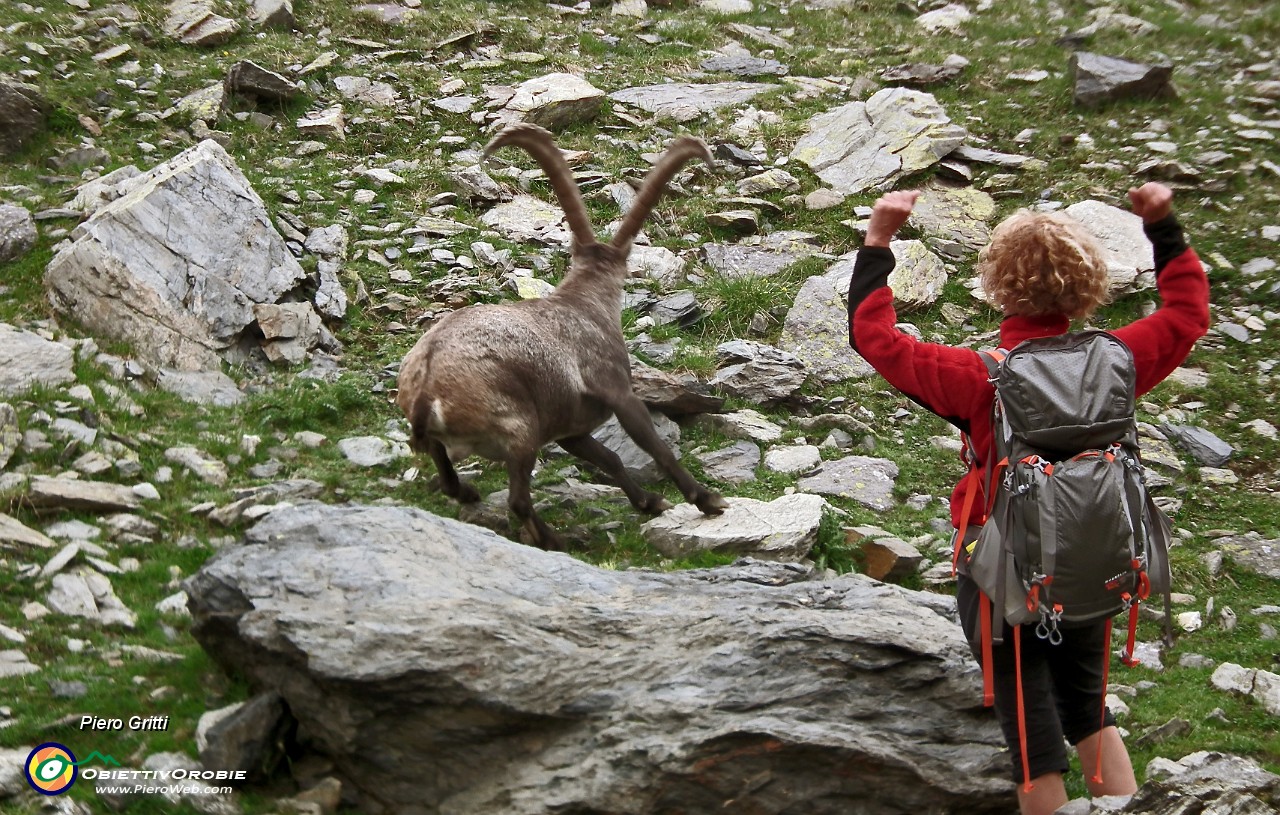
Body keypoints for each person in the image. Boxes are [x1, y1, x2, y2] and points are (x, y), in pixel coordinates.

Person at [846, 182, 1210, 815]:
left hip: (1003, 575)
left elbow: (873, 338)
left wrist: (878, 242)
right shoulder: (1120, 359)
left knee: (1032, 737)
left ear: (998, 285)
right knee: (1087, 708)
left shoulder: (975, 376)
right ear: (1089, 286)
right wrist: (1163, 228)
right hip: (1094, 559)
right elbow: (1187, 313)